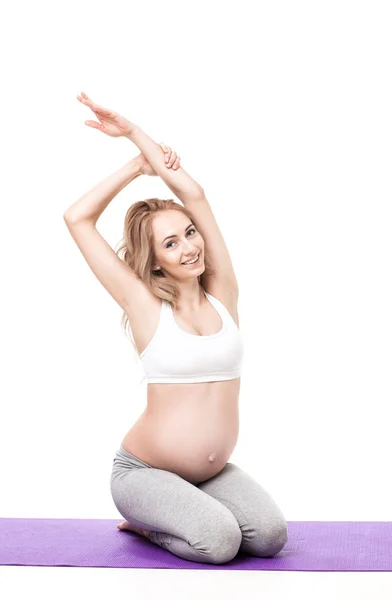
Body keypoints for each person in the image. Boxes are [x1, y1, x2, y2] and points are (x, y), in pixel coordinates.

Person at [63, 91, 288, 564]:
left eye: (189, 232)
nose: (189, 247)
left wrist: (138, 135)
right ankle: (147, 522)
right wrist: (133, 164)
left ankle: (184, 508)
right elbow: (77, 218)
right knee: (221, 542)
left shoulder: (222, 292)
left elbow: (195, 195)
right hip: (142, 472)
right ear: (157, 263)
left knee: (269, 537)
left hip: (209, 473)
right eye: (171, 243)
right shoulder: (144, 305)